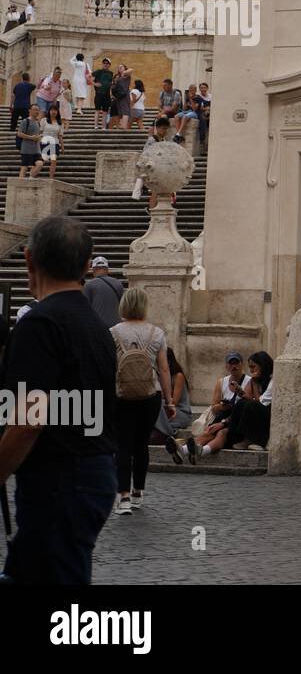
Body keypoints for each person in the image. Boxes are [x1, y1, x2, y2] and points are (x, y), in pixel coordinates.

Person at [0, 215, 118, 583]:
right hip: (92, 471)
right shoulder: (95, 326)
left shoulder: (40, 323)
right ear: (87, 264)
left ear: (28, 259)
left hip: (60, 478)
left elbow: (29, 419)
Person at [109, 287, 172, 514]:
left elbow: (108, 368)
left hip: (122, 394)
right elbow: (164, 369)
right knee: (141, 444)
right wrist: (169, 400)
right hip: (150, 395)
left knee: (123, 445)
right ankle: (138, 492)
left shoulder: (114, 332)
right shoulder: (156, 333)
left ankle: (123, 496)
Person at [180, 352, 273, 460]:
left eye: (237, 363)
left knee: (223, 431)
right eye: (231, 363)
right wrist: (225, 407)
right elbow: (215, 407)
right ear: (226, 366)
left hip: (248, 423)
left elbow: (257, 404)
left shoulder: (260, 380)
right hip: (232, 418)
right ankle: (184, 449)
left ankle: (201, 450)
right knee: (212, 430)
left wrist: (254, 384)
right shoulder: (223, 381)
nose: (234, 366)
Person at [153, 349, 193, 444]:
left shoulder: (178, 376)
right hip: (167, 410)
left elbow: (174, 401)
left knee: (158, 406)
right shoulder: (157, 375)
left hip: (180, 412)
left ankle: (168, 433)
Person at [83, 255, 125, 329]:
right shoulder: (118, 283)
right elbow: (123, 306)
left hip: (98, 326)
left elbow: (85, 309)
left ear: (93, 269)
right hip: (117, 326)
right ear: (107, 269)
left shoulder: (89, 285)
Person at [31, 106, 64, 179]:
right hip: (44, 142)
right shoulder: (44, 120)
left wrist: (62, 146)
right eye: (52, 110)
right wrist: (37, 141)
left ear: (57, 112)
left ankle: (51, 178)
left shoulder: (60, 123)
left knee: (53, 160)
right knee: (42, 160)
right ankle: (33, 175)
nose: (53, 112)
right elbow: (40, 132)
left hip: (54, 143)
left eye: (55, 110)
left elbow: (60, 135)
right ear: (49, 111)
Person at [15, 103, 43, 179]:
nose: (36, 112)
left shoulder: (37, 123)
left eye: (38, 110)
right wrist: (31, 137)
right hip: (26, 148)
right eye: (34, 110)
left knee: (39, 164)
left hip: (36, 149)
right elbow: (19, 133)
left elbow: (36, 136)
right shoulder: (25, 121)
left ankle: (31, 177)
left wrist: (39, 137)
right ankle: (20, 185)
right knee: (24, 168)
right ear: (30, 111)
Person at [92, 58, 114, 129]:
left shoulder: (111, 73)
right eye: (104, 63)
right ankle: (95, 126)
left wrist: (111, 94)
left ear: (109, 65)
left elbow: (110, 84)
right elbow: (88, 77)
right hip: (99, 93)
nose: (105, 64)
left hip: (107, 94)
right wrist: (95, 84)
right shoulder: (98, 71)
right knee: (97, 110)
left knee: (105, 111)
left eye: (107, 63)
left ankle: (103, 127)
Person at [111, 65, 134, 130]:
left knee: (125, 110)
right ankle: (121, 125)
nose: (119, 68)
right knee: (120, 112)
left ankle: (124, 126)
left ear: (125, 68)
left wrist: (123, 72)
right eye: (119, 67)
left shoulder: (125, 75)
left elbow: (131, 70)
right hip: (119, 96)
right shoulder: (119, 77)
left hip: (124, 95)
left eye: (121, 67)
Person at [195, 82, 212, 146]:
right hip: (200, 113)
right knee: (203, 119)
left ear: (207, 88)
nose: (203, 89)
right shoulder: (198, 97)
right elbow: (200, 108)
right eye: (201, 88)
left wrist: (208, 109)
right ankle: (202, 140)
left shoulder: (210, 96)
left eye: (204, 88)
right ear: (199, 89)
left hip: (209, 112)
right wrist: (205, 109)